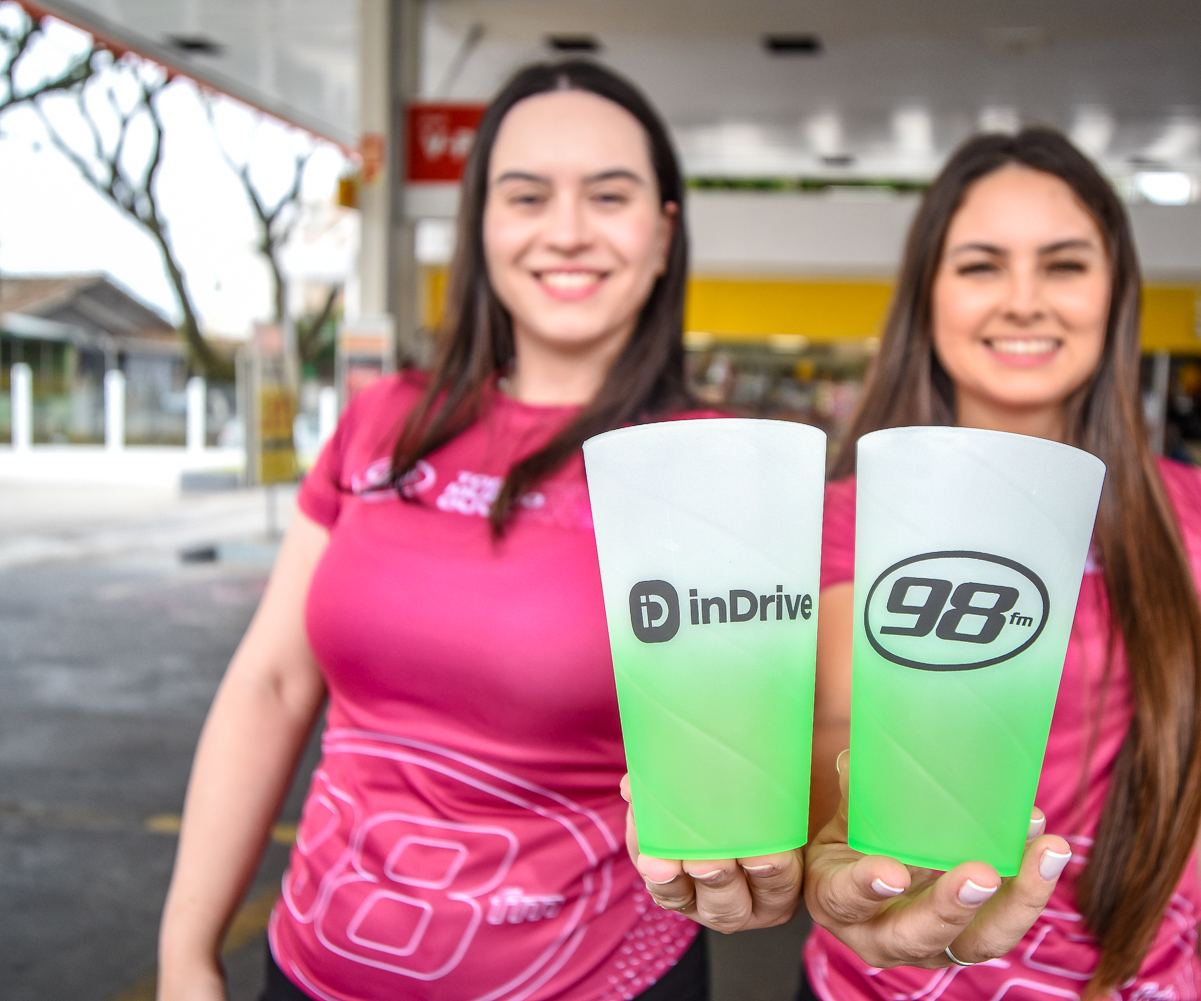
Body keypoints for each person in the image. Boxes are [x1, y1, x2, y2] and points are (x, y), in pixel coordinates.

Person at [156, 60, 788, 1001]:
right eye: (527, 195)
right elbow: (273, 682)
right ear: (482, 227)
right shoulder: (382, 421)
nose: (566, 230)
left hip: (596, 980)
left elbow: (759, 756)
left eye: (609, 196)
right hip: (311, 969)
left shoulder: (714, 465)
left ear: (662, 235)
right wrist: (185, 951)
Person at [798, 129, 1201, 1000]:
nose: (1024, 301)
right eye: (981, 265)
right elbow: (839, 729)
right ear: (927, 296)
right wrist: (832, 855)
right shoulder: (847, 514)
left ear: (1116, 293)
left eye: (1064, 265)